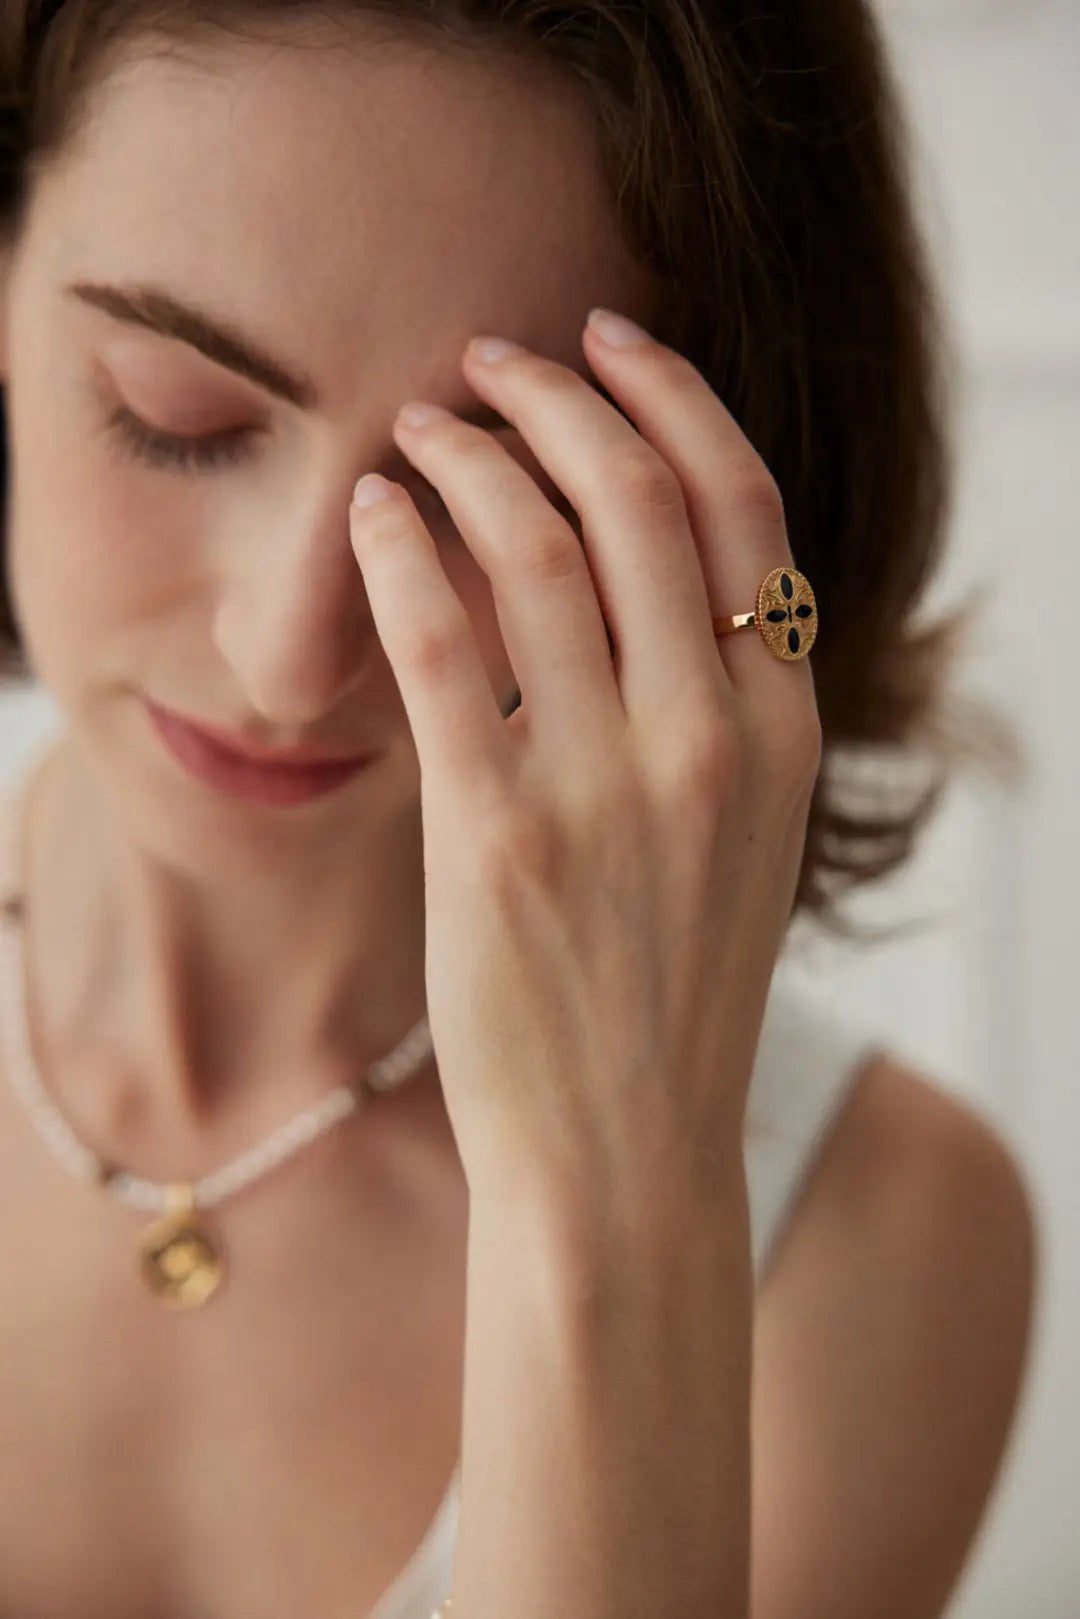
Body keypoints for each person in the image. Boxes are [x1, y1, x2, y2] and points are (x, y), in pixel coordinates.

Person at [0, 2, 1036, 1616]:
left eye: (490, 501)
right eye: (177, 419)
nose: (289, 658)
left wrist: (615, 1210)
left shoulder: (872, 1240)